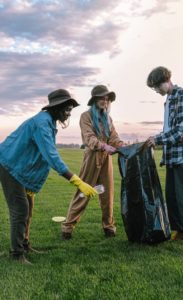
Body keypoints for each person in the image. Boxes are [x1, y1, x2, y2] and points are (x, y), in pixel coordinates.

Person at [0, 89, 97, 264]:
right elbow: (51, 156)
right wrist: (77, 181)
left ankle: (24, 244)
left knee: (27, 207)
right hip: (9, 164)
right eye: (66, 109)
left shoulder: (49, 122)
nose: (68, 114)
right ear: (56, 107)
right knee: (20, 210)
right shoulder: (42, 123)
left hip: (19, 167)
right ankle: (16, 254)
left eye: (70, 110)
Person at [145, 66, 183, 247]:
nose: (156, 91)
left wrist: (157, 140)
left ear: (164, 80)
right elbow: (169, 129)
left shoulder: (181, 95)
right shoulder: (169, 100)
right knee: (173, 196)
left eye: (156, 87)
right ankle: (180, 231)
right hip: (173, 156)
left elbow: (182, 128)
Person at [61, 85, 124, 240]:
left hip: (106, 160)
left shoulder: (108, 118)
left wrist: (123, 146)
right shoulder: (85, 116)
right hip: (92, 158)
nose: (105, 101)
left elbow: (114, 137)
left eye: (107, 98)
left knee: (107, 194)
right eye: (102, 98)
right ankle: (67, 228)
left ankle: (109, 227)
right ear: (95, 100)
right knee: (83, 193)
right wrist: (103, 145)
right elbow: (89, 137)